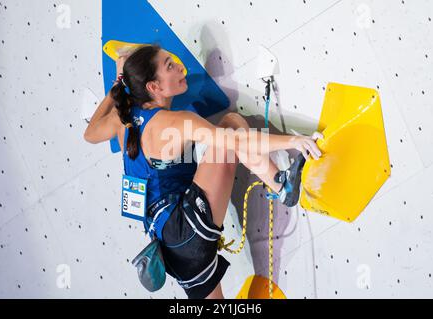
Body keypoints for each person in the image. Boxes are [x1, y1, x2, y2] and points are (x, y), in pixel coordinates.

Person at [84, 44, 323, 299]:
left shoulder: (123, 118)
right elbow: (236, 142)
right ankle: (281, 184)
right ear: (153, 87)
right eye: (169, 65)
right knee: (231, 123)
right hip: (185, 231)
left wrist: (117, 86)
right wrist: (293, 142)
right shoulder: (176, 122)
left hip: (170, 251)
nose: (179, 67)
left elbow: (90, 133)